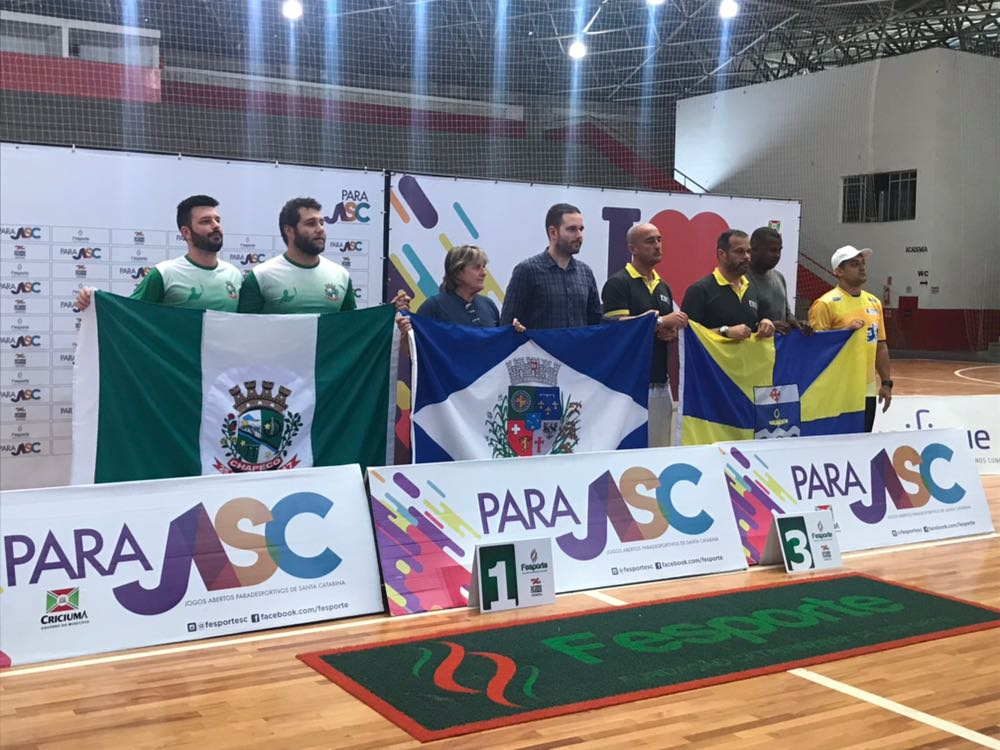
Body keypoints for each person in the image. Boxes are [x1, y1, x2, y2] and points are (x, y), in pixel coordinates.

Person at [74, 195, 242, 312]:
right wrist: (92, 301)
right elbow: (128, 312)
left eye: (217, 220)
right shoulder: (164, 274)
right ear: (186, 232)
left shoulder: (234, 274)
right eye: (206, 221)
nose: (216, 226)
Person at [602, 222, 688, 447]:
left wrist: (669, 331)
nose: (657, 245)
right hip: (629, 388)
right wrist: (659, 322)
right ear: (633, 248)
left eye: (659, 239)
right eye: (650, 241)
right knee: (630, 452)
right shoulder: (618, 283)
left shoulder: (663, 287)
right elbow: (617, 329)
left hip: (660, 384)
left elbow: (663, 329)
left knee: (659, 452)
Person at [808, 245, 892, 432]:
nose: (861, 268)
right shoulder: (825, 304)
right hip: (836, 391)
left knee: (862, 443)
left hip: (866, 391)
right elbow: (815, 351)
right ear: (838, 271)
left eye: (862, 264)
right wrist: (844, 332)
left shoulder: (874, 303)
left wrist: (886, 383)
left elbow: (880, 346)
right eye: (854, 264)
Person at [237, 197, 355, 314]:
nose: (320, 229)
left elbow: (351, 323)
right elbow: (245, 324)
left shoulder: (341, 275)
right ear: (289, 230)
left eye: (321, 223)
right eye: (311, 223)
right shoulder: (260, 276)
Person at [499, 203, 602, 329]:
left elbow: (595, 322)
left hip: (578, 343)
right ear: (553, 232)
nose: (579, 235)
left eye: (581, 229)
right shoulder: (527, 270)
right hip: (536, 343)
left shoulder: (586, 273)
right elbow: (507, 323)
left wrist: (622, 323)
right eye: (572, 229)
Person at [681, 230, 775, 339]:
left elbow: (757, 325)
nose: (747, 257)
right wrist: (725, 331)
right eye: (739, 251)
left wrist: (765, 324)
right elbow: (686, 336)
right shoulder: (699, 290)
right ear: (722, 254)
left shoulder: (752, 289)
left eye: (748, 251)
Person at [410, 244, 524, 331]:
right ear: (457, 272)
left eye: (484, 267)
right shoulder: (433, 307)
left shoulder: (489, 305)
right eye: (477, 267)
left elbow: (499, 345)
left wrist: (514, 333)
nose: (484, 273)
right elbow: (415, 347)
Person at [747, 227, 809, 334]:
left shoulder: (779, 277)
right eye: (772, 250)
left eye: (779, 250)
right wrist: (767, 327)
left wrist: (797, 324)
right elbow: (738, 324)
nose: (777, 255)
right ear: (754, 249)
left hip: (778, 344)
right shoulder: (740, 279)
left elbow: (786, 314)